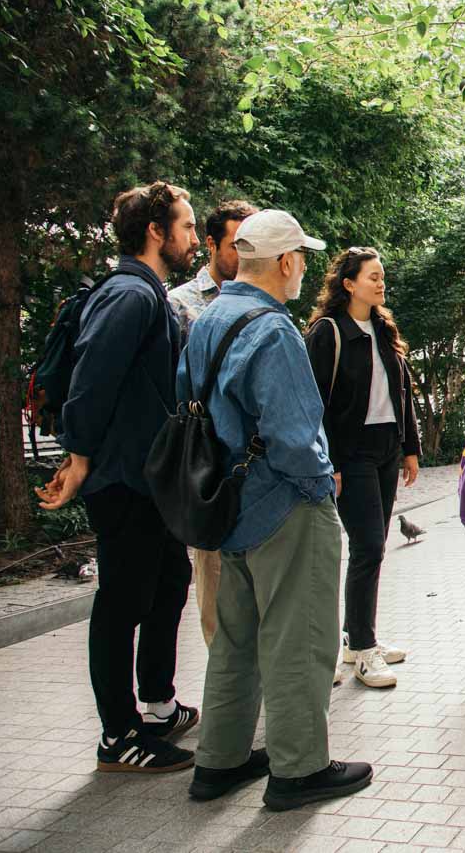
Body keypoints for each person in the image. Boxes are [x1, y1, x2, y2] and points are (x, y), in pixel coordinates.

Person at [180, 210, 371, 809]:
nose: (305, 268)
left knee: (236, 638)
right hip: (284, 503)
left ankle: (219, 761)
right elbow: (294, 432)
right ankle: (298, 770)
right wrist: (322, 487)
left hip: (228, 501)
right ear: (286, 262)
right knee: (301, 637)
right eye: (303, 258)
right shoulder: (275, 327)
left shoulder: (209, 318)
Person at [35, 181, 201, 773]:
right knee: (122, 602)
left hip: (145, 477)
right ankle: (118, 736)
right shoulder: (129, 294)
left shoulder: (145, 292)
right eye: (184, 227)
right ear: (156, 231)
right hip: (122, 478)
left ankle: (157, 706)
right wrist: (78, 459)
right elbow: (92, 381)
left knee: (169, 580)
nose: (191, 239)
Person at [305, 247, 421, 689]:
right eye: (372, 276)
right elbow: (314, 403)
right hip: (349, 453)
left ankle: (357, 640)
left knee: (372, 546)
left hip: (386, 448)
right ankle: (362, 649)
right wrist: (327, 460)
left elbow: (402, 393)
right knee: (368, 545)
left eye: (382, 276)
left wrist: (409, 448)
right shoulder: (327, 332)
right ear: (348, 283)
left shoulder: (382, 328)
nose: (380, 282)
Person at [168, 199, 259, 647]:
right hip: (212, 468)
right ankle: (229, 684)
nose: (245, 255)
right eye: (235, 244)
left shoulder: (268, 303)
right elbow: (175, 392)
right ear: (210, 243)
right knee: (218, 586)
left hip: (260, 468)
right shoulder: (180, 304)